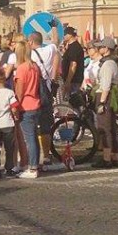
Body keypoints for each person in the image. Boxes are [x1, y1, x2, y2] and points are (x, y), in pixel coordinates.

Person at [28, 30, 60, 168]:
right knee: (45, 126)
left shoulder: (29, 55)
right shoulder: (49, 50)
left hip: (32, 93)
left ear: (31, 42)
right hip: (45, 91)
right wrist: (54, 28)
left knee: (31, 126)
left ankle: (32, 158)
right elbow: (55, 42)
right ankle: (46, 156)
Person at [13, 39, 41, 179]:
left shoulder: (22, 68)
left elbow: (19, 91)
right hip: (35, 103)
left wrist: (15, 107)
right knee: (34, 137)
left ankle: (32, 167)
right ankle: (34, 164)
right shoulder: (34, 66)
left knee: (29, 139)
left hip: (25, 105)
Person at [92, 37, 118, 168]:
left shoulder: (108, 64)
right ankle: (115, 157)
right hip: (109, 96)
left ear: (107, 49)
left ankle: (107, 158)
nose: (99, 49)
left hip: (105, 97)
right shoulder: (112, 62)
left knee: (104, 129)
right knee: (112, 128)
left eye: (101, 47)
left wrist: (102, 102)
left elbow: (106, 86)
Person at [61, 26, 85, 96]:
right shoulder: (71, 46)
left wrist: (68, 81)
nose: (63, 36)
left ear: (70, 35)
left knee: (72, 100)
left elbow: (73, 64)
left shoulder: (74, 47)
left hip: (73, 81)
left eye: (65, 34)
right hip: (72, 81)